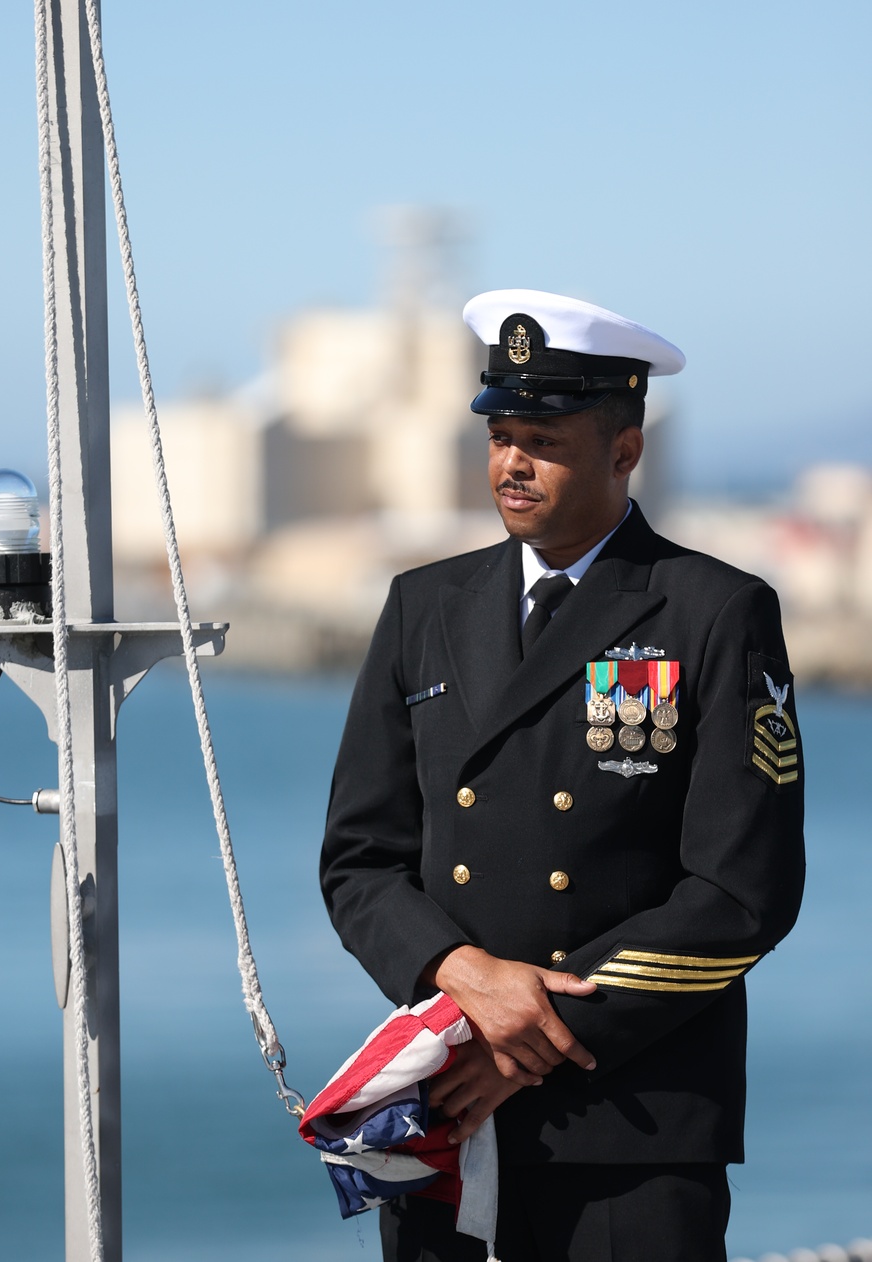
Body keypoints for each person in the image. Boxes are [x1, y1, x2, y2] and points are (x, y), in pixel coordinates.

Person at [319, 288, 805, 1262]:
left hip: (630, 1125)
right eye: (499, 433)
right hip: (447, 1106)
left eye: (541, 437)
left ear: (625, 449)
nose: (510, 462)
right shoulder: (425, 606)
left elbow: (742, 891)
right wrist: (463, 979)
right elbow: (360, 858)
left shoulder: (712, 611)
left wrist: (526, 1034)